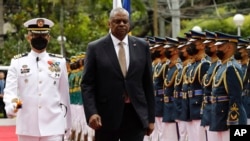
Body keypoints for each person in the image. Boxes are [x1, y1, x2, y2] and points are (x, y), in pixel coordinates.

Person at [81, 7, 155, 141]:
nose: (121, 24)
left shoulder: (142, 46)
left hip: (135, 114)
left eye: (125, 21)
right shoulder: (95, 48)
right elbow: (87, 84)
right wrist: (92, 113)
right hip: (106, 116)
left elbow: (147, 84)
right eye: (117, 21)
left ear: (129, 24)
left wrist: (151, 118)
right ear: (109, 24)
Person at [3, 18, 72, 141]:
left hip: (54, 126)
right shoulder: (17, 62)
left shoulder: (59, 62)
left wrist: (67, 125)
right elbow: (10, 91)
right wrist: (12, 105)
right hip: (27, 127)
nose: (40, 38)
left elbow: (64, 96)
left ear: (48, 38)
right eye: (35, 35)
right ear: (28, 37)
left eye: (43, 35)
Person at [210, 31, 247, 141]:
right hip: (220, 117)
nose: (217, 49)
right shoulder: (223, 66)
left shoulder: (231, 67)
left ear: (229, 47)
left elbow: (235, 97)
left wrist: (233, 120)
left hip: (229, 119)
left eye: (220, 46)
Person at [200, 30, 221, 141]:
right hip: (208, 109)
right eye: (205, 45)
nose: (206, 47)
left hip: (217, 110)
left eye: (209, 45)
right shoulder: (211, 65)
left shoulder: (220, 66)